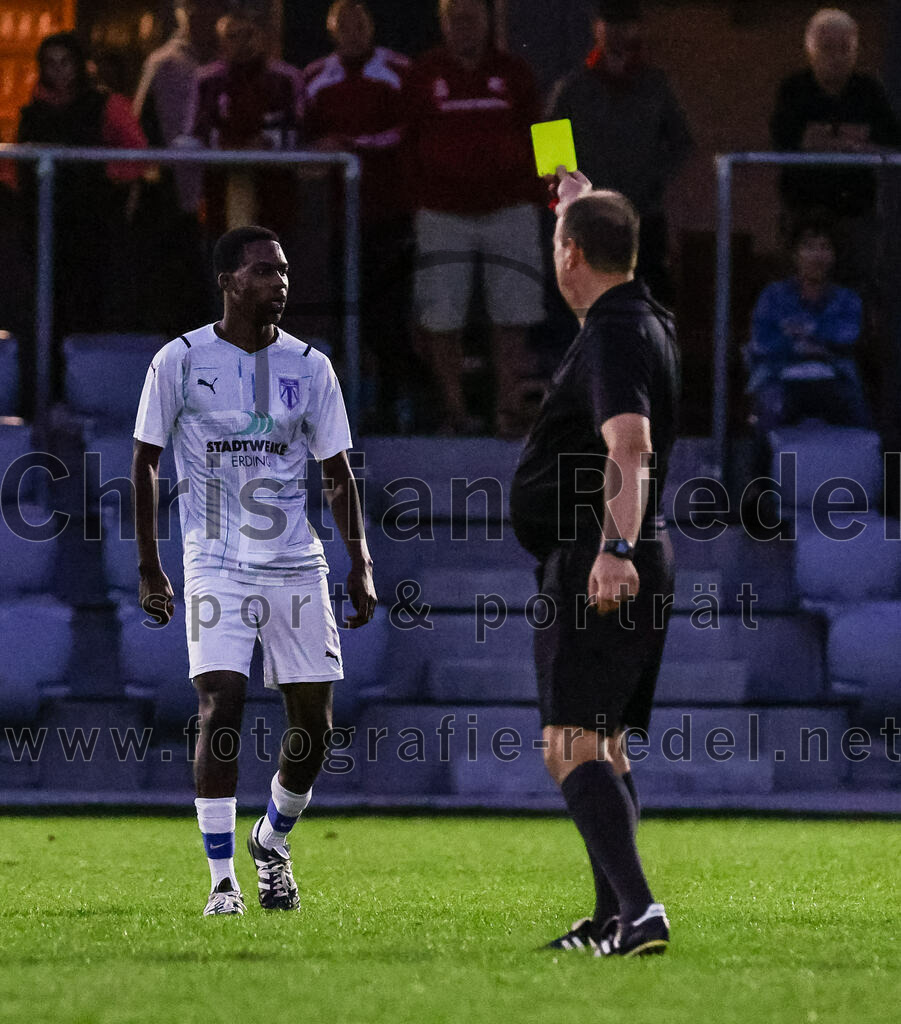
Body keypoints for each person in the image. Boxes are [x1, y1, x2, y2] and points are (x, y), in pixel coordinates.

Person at [132, 225, 377, 917]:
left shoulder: (312, 366)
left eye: (285, 270)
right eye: (265, 271)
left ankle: (271, 839)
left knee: (314, 726)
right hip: (214, 560)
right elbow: (146, 461)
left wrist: (358, 561)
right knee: (221, 705)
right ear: (228, 280)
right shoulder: (178, 360)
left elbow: (335, 472)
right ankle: (221, 882)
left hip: (294, 562)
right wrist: (152, 566)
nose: (280, 282)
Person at [509, 167, 680, 956]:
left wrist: (611, 550)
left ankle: (640, 911)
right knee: (603, 743)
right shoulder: (640, 317)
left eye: (557, 243)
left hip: (599, 552)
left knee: (567, 744)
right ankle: (613, 918)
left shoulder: (612, 332)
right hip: (628, 549)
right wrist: (579, 200)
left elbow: (629, 446)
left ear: (570, 255)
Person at [404, 0, 545, 437]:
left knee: (514, 313)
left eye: (472, 16)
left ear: (487, 21)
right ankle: (455, 412)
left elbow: (547, 130)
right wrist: (416, 201)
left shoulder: (517, 71)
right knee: (442, 317)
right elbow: (405, 142)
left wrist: (563, 197)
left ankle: (508, 410)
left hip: (511, 210)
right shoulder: (421, 74)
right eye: (454, 17)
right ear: (442, 22)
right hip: (442, 213)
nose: (464, 25)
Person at [303, 0, 413, 431]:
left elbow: (408, 133)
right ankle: (348, 405)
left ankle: (391, 405)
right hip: (338, 219)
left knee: (391, 313)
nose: (352, 32)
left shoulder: (400, 71)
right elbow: (306, 141)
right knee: (349, 311)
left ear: (371, 26)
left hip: (390, 213)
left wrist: (350, 146)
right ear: (332, 30)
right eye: (343, 26)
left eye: (359, 24)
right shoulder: (315, 77)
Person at [546, 0, 693, 304]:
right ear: (596, 28)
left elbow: (682, 142)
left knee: (646, 302)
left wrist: (652, 180)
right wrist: (573, 194)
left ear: (637, 29)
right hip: (589, 220)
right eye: (609, 23)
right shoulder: (572, 87)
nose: (616, 32)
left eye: (625, 24)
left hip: (642, 217)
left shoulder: (655, 85)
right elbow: (549, 154)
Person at [17, 32, 147, 341]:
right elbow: (17, 166)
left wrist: (101, 173)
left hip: (94, 224)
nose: (59, 71)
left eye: (65, 63)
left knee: (90, 298)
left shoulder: (106, 105)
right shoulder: (33, 110)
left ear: (78, 64)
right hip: (42, 223)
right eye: (51, 64)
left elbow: (138, 154)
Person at [771, 8, 901, 285]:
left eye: (845, 48)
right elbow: (787, 139)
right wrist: (853, 140)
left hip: (855, 213)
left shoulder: (868, 90)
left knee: (859, 289)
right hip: (803, 211)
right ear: (810, 50)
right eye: (827, 48)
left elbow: (890, 140)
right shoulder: (794, 89)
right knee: (799, 291)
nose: (836, 57)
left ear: (855, 51)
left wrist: (827, 138)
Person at [745, 215, 869, 438]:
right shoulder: (773, 296)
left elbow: (847, 337)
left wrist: (805, 330)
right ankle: (760, 471)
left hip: (834, 377)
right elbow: (762, 342)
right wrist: (806, 347)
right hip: (780, 375)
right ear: (795, 254)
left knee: (859, 419)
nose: (817, 256)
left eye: (825, 247)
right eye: (808, 247)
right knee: (768, 414)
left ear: (834, 256)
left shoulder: (847, 299)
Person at [187, 9, 304, 235]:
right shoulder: (207, 81)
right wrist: (230, 145)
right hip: (221, 192)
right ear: (221, 42)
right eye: (233, 36)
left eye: (248, 34)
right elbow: (196, 133)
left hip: (274, 191)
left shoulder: (285, 79)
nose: (242, 42)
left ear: (262, 36)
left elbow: (298, 129)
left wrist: (266, 142)